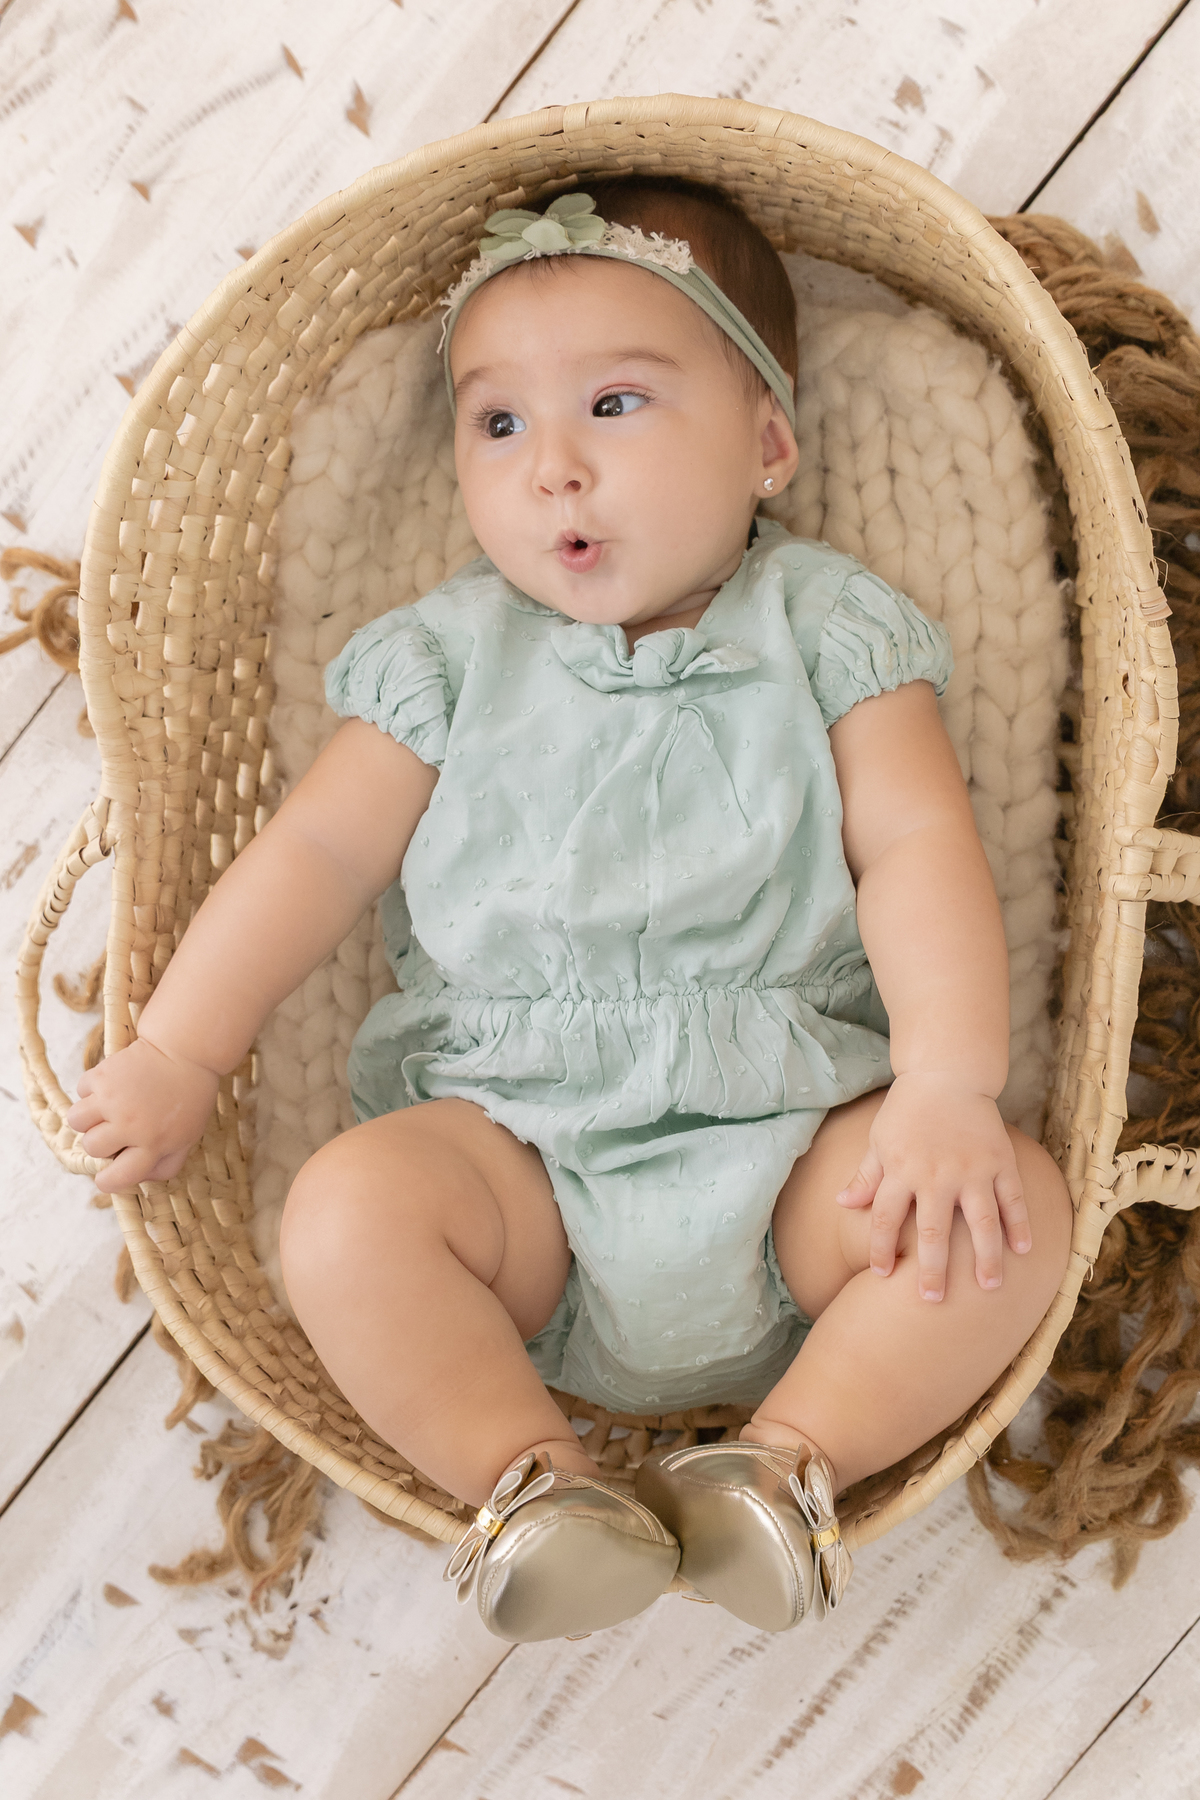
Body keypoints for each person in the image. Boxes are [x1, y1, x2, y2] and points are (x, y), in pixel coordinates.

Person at [68, 177, 1072, 1644]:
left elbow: (923, 850)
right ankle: (530, 1482)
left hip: (793, 1155)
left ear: (769, 444)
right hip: (515, 1167)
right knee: (343, 1213)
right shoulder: (445, 660)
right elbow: (313, 859)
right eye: (498, 424)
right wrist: (178, 1046)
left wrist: (947, 1087)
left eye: (614, 405)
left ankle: (787, 1468)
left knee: (1014, 1216)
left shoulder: (830, 629)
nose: (552, 471)